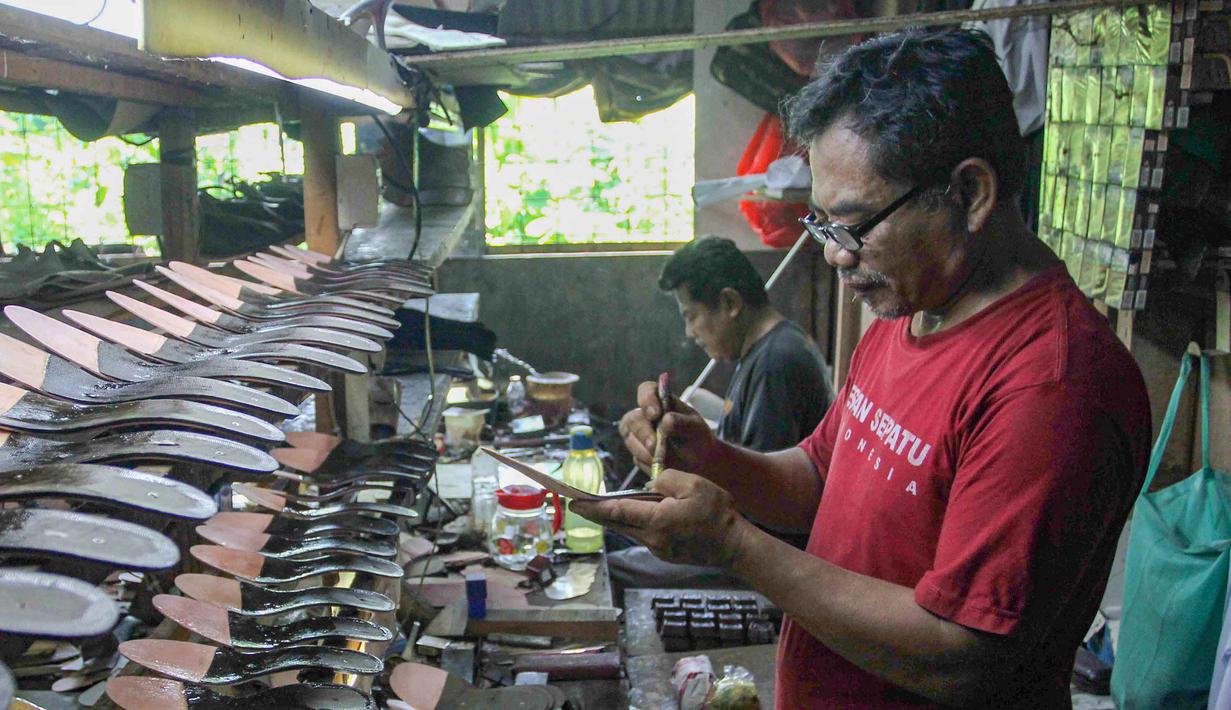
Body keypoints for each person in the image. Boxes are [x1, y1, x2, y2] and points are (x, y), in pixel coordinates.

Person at [575, 28, 1151, 709]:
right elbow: (821, 475)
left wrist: (731, 543)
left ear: (969, 193)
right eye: (820, 224)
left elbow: (961, 657)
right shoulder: (911, 309)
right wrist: (710, 458)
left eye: (851, 225)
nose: (834, 255)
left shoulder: (1051, 384)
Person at [608, 237, 833, 590]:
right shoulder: (768, 350)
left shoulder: (777, 362)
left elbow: (760, 505)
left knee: (610, 567)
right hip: (743, 533)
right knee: (613, 530)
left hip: (763, 557)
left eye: (692, 316)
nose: (690, 332)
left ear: (729, 303)